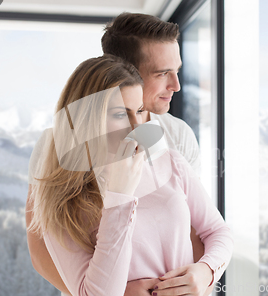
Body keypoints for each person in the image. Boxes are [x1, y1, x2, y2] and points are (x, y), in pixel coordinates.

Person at [26, 13, 221, 296]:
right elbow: (41, 251)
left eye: (177, 70)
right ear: (123, 71)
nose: (176, 85)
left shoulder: (177, 137)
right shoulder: (56, 146)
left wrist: (204, 275)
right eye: (162, 73)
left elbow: (195, 232)